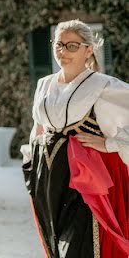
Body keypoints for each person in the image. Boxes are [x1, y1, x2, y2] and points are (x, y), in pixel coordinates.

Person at [23, 19, 129, 258]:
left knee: (80, 248)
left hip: (85, 181)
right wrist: (30, 162)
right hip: (48, 178)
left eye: (72, 46)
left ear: (88, 49)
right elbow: (38, 128)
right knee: (55, 246)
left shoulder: (104, 87)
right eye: (59, 45)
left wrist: (110, 144)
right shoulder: (44, 85)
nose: (63, 51)